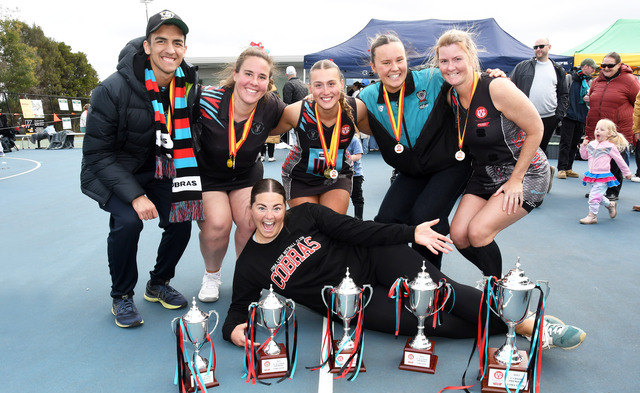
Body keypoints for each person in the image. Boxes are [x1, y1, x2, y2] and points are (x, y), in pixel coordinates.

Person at [222, 178, 586, 353]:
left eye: (276, 207)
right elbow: (237, 310)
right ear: (249, 210)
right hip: (354, 302)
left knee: (443, 294)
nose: (269, 216)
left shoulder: (306, 215)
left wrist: (411, 233)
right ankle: (507, 322)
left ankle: (531, 325)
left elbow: (359, 230)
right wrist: (235, 331)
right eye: (261, 208)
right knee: (431, 323)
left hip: (376, 258)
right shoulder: (251, 264)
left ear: (285, 207)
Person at [81, 10, 199, 328]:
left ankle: (158, 283)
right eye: (161, 41)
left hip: (160, 167)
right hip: (113, 169)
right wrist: (135, 195)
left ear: (184, 48)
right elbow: (97, 153)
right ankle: (121, 295)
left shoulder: (188, 85)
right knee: (128, 223)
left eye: (177, 42)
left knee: (182, 215)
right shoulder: (111, 89)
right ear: (147, 46)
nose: (170, 49)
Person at [434, 29, 549, 278]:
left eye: (457, 59)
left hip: (525, 172)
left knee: (478, 232)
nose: (451, 67)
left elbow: (536, 129)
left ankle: (496, 292)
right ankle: (496, 282)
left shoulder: (497, 87)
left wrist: (516, 179)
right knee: (459, 235)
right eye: (444, 61)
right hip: (484, 172)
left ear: (471, 57)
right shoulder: (451, 96)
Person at [356, 33, 476, 269]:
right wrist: (314, 99)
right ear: (373, 67)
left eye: (399, 60)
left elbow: (466, 76)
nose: (394, 68)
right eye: (386, 62)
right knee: (386, 221)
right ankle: (397, 273)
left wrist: (493, 76)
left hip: (450, 165)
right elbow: (340, 109)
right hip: (413, 170)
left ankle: (428, 283)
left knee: (425, 218)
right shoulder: (368, 97)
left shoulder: (431, 78)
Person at [195, 46, 286, 303]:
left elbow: (300, 113)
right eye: (248, 74)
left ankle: (246, 277)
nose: (254, 82)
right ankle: (212, 275)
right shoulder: (206, 99)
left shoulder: (271, 105)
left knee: (251, 221)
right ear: (235, 74)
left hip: (246, 175)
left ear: (269, 82)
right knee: (218, 224)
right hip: (209, 177)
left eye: (262, 77)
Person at [271, 59, 367, 215]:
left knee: (332, 223)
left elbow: (380, 130)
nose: (326, 91)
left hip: (337, 174)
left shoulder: (356, 108)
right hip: (301, 177)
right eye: (318, 85)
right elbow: (265, 131)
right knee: (310, 225)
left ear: (341, 84)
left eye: (331, 84)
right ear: (310, 88)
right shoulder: (296, 111)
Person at [584, 52, 640, 201]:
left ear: (619, 65)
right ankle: (599, 189)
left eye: (610, 65)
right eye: (603, 65)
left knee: (615, 161)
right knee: (598, 161)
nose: (606, 68)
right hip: (598, 128)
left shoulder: (630, 81)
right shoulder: (597, 81)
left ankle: (613, 190)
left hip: (618, 130)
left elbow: (638, 103)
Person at [509, 37, 568, 172]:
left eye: (541, 46)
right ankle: (524, 176)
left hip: (549, 117)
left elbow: (563, 94)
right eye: (535, 47)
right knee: (523, 149)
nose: (538, 49)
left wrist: (558, 115)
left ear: (549, 47)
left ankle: (543, 175)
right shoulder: (522, 66)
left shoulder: (557, 69)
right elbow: (510, 87)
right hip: (525, 117)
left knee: (541, 150)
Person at [578, 119, 632, 224]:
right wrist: (583, 146)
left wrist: (626, 172)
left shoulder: (610, 147)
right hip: (592, 175)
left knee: (594, 196)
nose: (598, 131)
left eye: (602, 130)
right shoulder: (592, 144)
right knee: (598, 196)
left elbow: (619, 160)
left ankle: (592, 216)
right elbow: (584, 156)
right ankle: (610, 205)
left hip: (603, 176)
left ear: (609, 134)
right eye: (597, 129)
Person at [557, 59, 596, 180]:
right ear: (585, 66)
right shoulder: (570, 78)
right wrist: (563, 111)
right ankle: (562, 168)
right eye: (592, 68)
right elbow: (562, 94)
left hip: (582, 116)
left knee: (575, 143)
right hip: (569, 115)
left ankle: (569, 168)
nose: (594, 70)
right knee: (565, 142)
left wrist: (590, 99)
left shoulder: (590, 82)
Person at [281, 66, 309, 147]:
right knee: (302, 134)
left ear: (286, 75)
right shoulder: (303, 84)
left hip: (294, 113)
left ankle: (296, 150)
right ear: (295, 73)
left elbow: (287, 102)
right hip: (304, 112)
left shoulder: (288, 84)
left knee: (294, 136)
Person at [347, 134, 365, 219]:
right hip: (340, 173)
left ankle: (358, 218)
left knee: (357, 196)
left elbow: (358, 156)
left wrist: (345, 158)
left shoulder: (354, 140)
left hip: (355, 174)